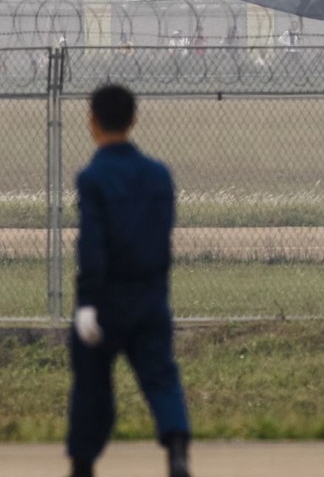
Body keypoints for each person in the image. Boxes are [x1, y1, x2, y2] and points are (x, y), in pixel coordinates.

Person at [67, 84, 191, 477]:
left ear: (92, 121)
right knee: (161, 376)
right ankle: (176, 447)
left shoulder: (94, 177)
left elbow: (93, 244)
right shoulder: (159, 176)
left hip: (107, 298)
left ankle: (84, 460)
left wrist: (87, 302)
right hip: (151, 294)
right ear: (134, 119)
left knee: (91, 384)